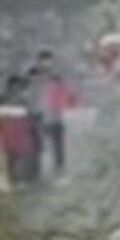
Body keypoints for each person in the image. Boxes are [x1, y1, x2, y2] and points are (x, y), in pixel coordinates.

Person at [29, 50, 81, 181]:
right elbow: (29, 94)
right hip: (37, 115)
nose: (47, 64)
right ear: (39, 61)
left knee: (58, 146)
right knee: (37, 146)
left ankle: (59, 171)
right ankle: (35, 174)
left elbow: (68, 93)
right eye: (44, 61)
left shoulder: (57, 77)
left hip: (55, 116)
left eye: (49, 61)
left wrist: (71, 102)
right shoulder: (32, 75)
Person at [0, 75, 38, 189]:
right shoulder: (2, 100)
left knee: (18, 156)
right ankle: (14, 181)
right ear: (9, 86)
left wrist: (32, 130)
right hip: (10, 132)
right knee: (11, 157)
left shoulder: (21, 101)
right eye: (14, 86)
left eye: (17, 86)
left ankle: (17, 180)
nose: (15, 89)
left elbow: (29, 117)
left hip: (18, 133)